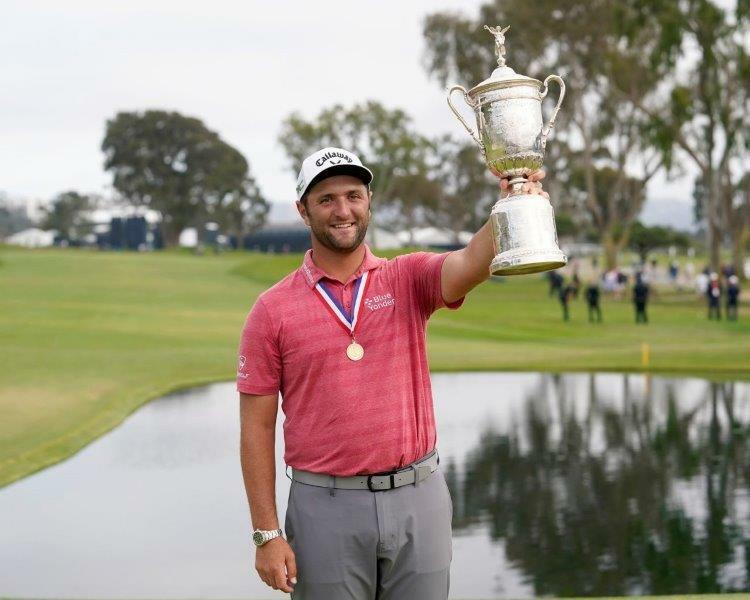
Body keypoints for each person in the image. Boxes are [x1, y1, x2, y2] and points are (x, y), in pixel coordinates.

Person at [236, 146, 550, 599]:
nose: (343, 210)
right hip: (324, 506)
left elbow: (471, 262)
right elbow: (256, 429)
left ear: (368, 201)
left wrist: (514, 201)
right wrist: (266, 533)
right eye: (326, 199)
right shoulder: (271, 310)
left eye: (353, 195)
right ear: (303, 210)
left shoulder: (405, 278)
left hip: (417, 497)